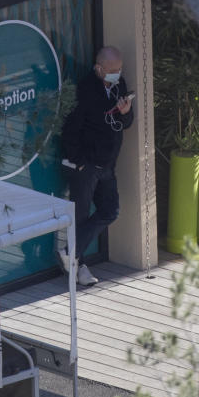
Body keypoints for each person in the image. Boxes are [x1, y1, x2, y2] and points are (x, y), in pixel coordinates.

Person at [59, 46, 134, 286]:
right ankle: (77, 265)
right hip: (87, 165)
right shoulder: (85, 90)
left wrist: (126, 112)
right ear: (99, 69)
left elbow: (125, 123)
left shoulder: (119, 86)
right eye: (112, 71)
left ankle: (70, 251)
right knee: (80, 216)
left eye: (120, 70)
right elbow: (70, 129)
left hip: (108, 163)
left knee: (110, 210)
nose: (117, 75)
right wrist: (80, 162)